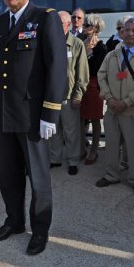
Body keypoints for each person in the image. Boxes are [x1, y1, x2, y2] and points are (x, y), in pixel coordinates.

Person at [0, 0, 66, 256]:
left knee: (39, 178)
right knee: (8, 174)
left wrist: (50, 112)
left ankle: (40, 230)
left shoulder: (45, 18)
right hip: (5, 114)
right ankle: (14, 221)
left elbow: (57, 66)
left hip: (33, 115)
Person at [95, 18, 134, 195]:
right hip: (113, 108)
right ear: (121, 33)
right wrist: (110, 98)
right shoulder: (112, 55)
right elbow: (102, 76)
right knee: (112, 144)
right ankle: (111, 174)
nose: (130, 33)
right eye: (126, 30)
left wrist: (126, 102)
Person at [49, 11, 89, 175]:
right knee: (54, 131)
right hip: (51, 97)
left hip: (68, 96)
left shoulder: (77, 44)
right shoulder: (48, 42)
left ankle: (73, 160)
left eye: (60, 23)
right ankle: (55, 159)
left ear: (67, 25)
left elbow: (82, 73)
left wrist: (78, 95)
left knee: (71, 131)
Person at [81, 14, 107, 164]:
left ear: (95, 28)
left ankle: (94, 151)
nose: (84, 27)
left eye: (87, 25)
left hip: (94, 86)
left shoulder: (101, 48)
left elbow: (97, 69)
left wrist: (88, 54)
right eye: (84, 25)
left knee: (95, 119)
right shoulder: (79, 43)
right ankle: (82, 147)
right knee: (80, 118)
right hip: (80, 85)